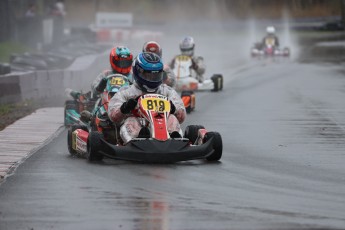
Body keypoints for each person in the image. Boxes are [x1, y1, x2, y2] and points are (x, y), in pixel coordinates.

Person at [108, 52, 186, 144]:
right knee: (131, 120)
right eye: (149, 75)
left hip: (162, 127)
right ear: (138, 72)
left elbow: (181, 117)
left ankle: (174, 140)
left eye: (156, 75)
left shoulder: (166, 91)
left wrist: (174, 109)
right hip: (138, 130)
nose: (153, 78)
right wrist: (125, 108)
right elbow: (113, 117)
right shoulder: (126, 92)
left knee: (172, 118)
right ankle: (138, 140)